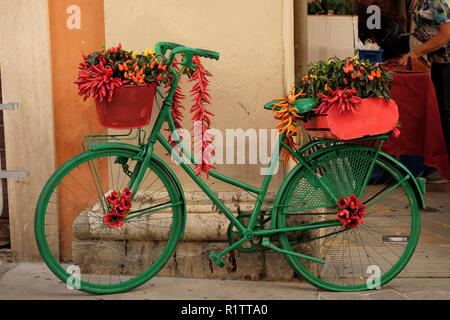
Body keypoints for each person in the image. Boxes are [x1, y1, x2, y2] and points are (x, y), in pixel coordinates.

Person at [399, 0, 450, 183]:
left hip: (447, 65)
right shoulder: (420, 2)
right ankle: (437, 165)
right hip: (437, 63)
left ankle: (444, 167)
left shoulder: (437, 2)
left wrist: (416, 53)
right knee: (439, 114)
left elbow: (445, 35)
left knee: (445, 115)